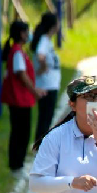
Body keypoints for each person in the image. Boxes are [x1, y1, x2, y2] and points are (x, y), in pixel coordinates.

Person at [1, 20, 46, 176]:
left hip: (21, 99)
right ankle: (16, 165)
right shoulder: (17, 53)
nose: (29, 35)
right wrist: (34, 91)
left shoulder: (18, 51)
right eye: (27, 32)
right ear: (21, 34)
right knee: (20, 132)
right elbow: (22, 74)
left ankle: (18, 164)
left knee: (21, 132)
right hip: (18, 99)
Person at [31, 12, 61, 141]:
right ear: (53, 26)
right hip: (47, 85)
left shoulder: (46, 40)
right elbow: (40, 56)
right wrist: (43, 68)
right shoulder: (44, 40)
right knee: (45, 118)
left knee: (46, 117)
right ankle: (40, 144)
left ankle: (40, 143)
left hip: (49, 84)